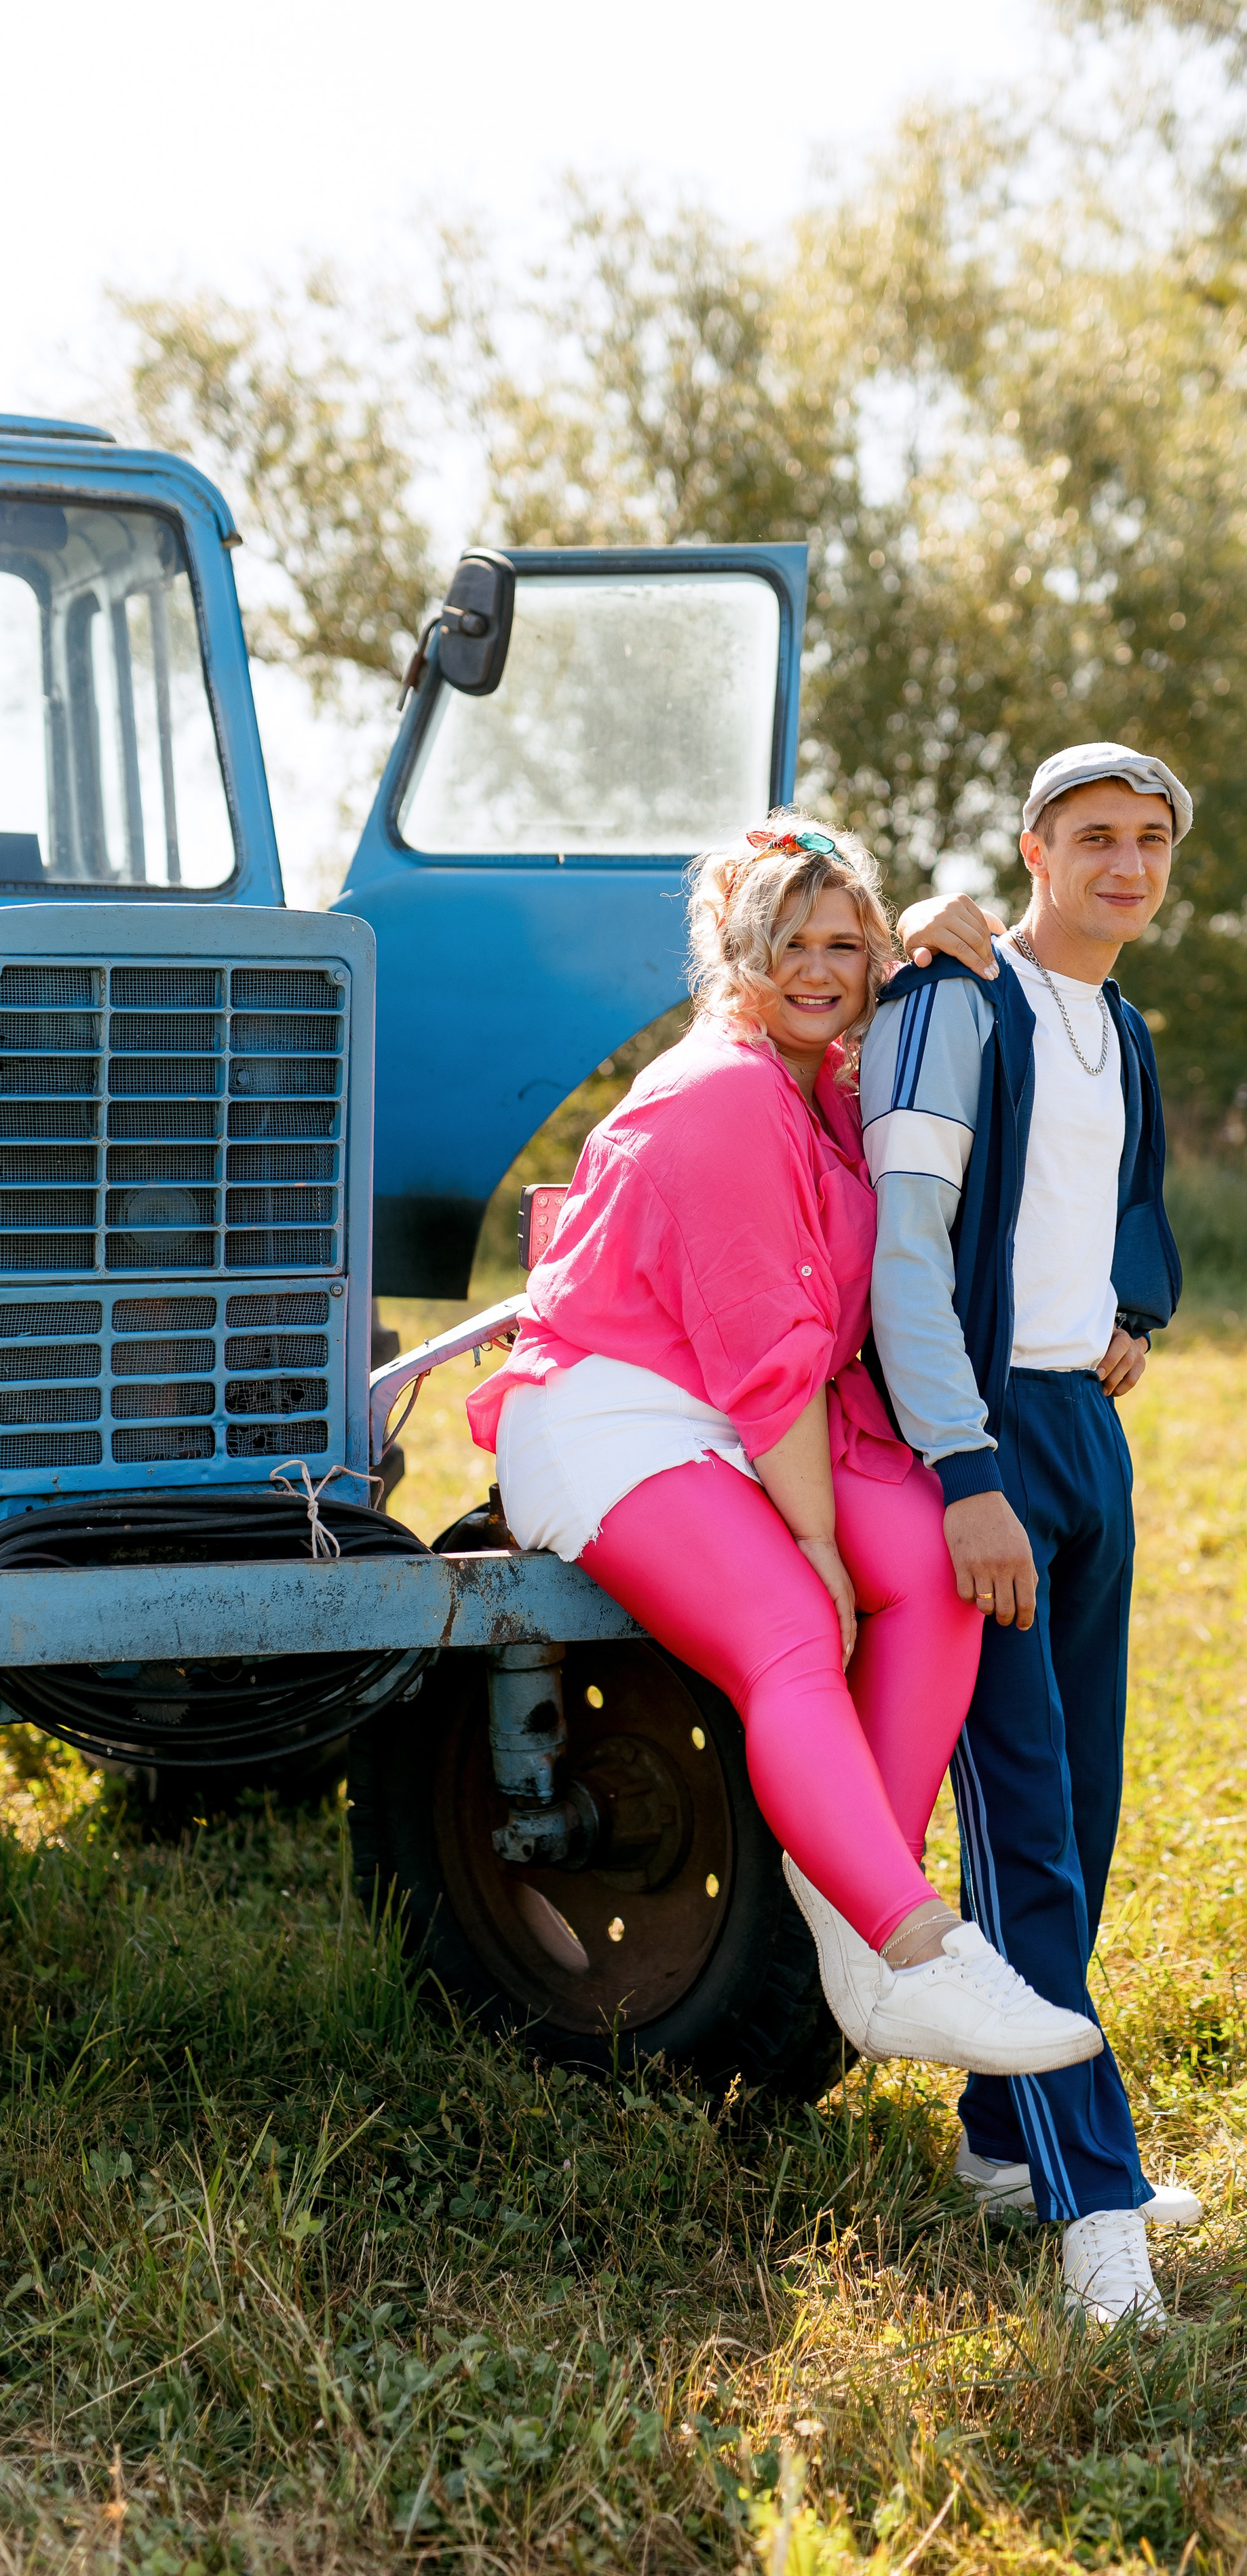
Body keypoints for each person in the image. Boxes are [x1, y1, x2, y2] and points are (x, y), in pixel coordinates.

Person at [466, 815, 1103, 2081]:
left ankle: (859, 1923)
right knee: (793, 1630)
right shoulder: (721, 1092)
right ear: (732, 955)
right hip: (619, 1410)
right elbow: (766, 1354)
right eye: (787, 944)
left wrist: (923, 938)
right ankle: (916, 1943)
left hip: (766, 1408)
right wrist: (812, 1540)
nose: (819, 968)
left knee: (931, 1568)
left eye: (844, 943)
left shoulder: (835, 1081)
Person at [856, 742, 1207, 2329]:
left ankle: (1004, 2141)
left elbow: (1121, 1199)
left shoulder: (1121, 1027)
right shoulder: (952, 999)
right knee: (1025, 1832)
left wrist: (1127, 1315)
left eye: (1146, 841)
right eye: (1090, 837)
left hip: (1084, 1436)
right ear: (1030, 847)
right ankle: (1091, 2207)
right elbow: (904, 1252)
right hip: (981, 1437)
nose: (1122, 865)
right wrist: (962, 1465)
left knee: (1094, 1804)